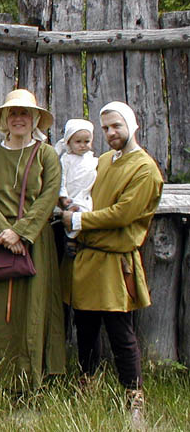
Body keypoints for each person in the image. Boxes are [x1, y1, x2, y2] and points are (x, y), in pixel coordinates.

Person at [62, 101, 163, 421]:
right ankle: (86, 385)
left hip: (115, 264)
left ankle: (134, 400)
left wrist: (78, 222)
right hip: (88, 259)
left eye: (116, 126)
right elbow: (89, 198)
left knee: (121, 334)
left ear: (132, 125)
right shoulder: (104, 160)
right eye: (105, 128)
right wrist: (74, 207)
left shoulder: (145, 169)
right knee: (86, 329)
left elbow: (124, 214)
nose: (110, 133)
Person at [0, 89, 65, 390]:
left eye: (24, 113)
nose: (18, 118)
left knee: (31, 312)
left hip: (34, 243)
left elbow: (49, 196)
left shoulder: (46, 154)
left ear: (35, 119)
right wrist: (3, 234)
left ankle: (29, 378)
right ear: (5, 120)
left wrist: (20, 232)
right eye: (13, 113)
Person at [54, 119, 98, 255]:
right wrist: (63, 195)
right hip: (71, 195)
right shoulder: (66, 159)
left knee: (86, 214)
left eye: (87, 141)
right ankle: (69, 238)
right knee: (72, 213)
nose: (83, 146)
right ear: (69, 142)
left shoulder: (93, 159)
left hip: (85, 194)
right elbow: (62, 179)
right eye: (78, 142)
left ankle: (80, 240)